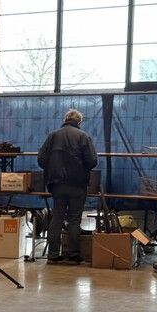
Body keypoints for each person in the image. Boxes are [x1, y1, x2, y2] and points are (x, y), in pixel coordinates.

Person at [37, 108, 98, 264]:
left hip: (56, 183)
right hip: (77, 184)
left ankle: (52, 254)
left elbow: (41, 160)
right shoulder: (83, 136)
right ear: (79, 122)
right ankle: (73, 254)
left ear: (65, 119)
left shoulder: (53, 136)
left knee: (56, 217)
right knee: (74, 219)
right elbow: (92, 161)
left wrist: (52, 169)